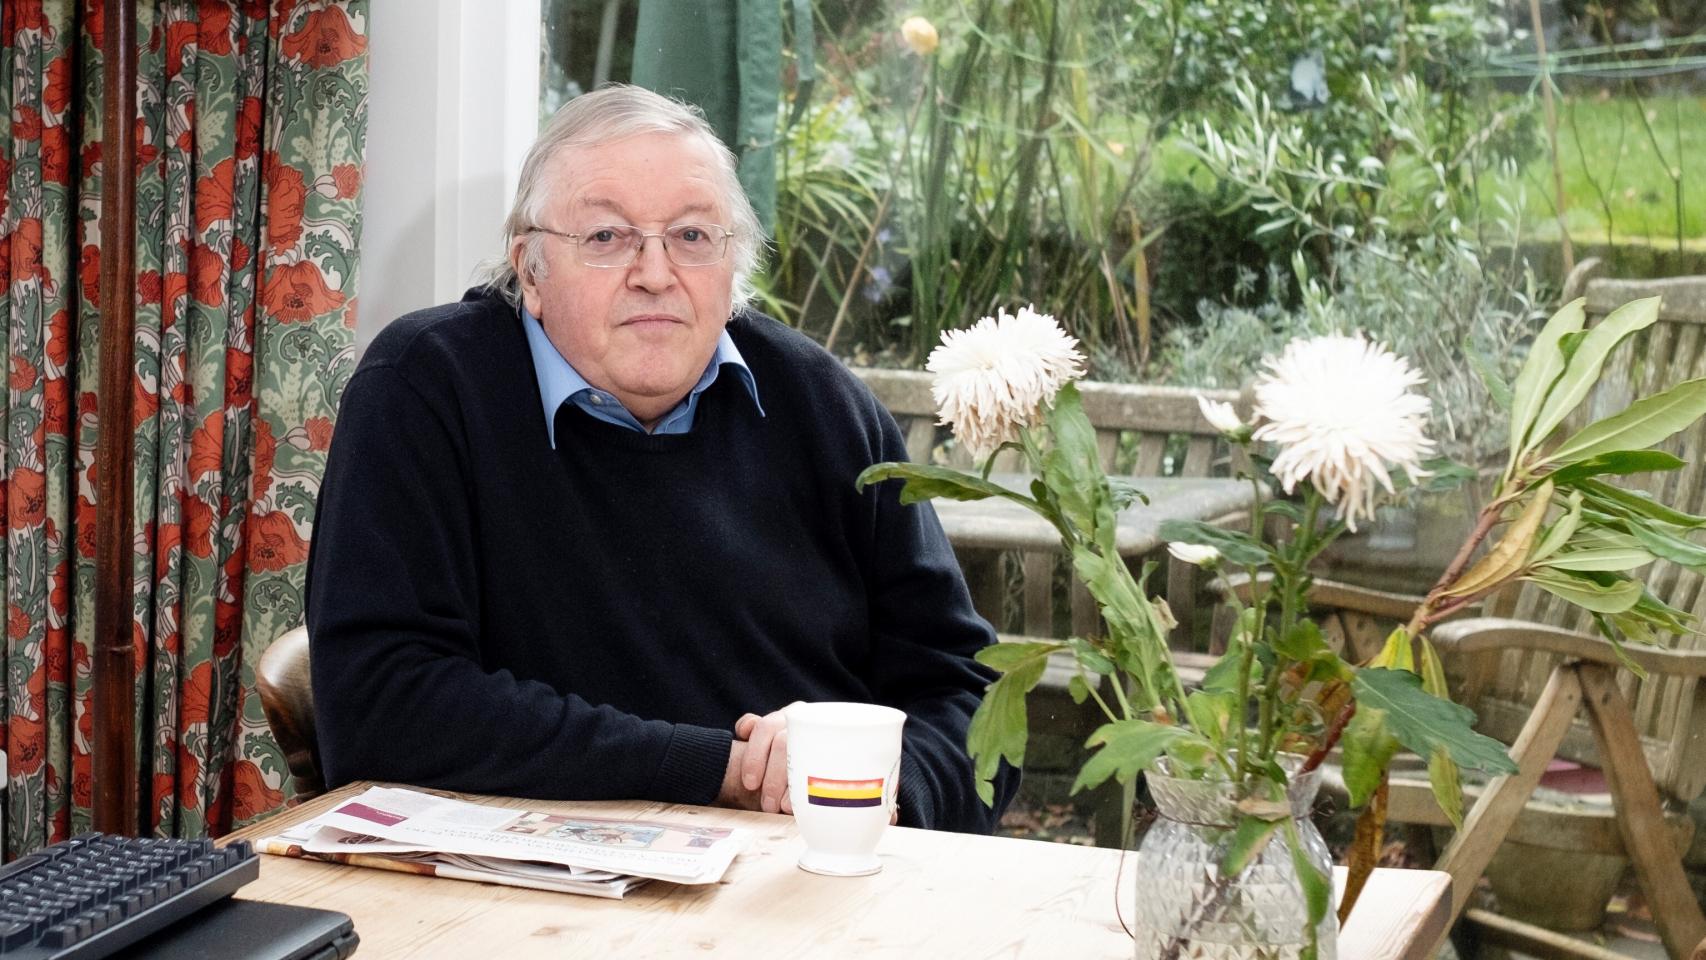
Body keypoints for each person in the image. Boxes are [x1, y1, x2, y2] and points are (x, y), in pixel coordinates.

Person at [305, 84, 1018, 833]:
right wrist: (723, 772)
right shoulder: (425, 390)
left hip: (823, 860)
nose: (654, 272)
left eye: (692, 236)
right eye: (606, 237)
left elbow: (975, 695)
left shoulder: (824, 404)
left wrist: (883, 785)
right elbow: (381, 706)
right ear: (531, 271)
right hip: (532, 882)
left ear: (732, 264)